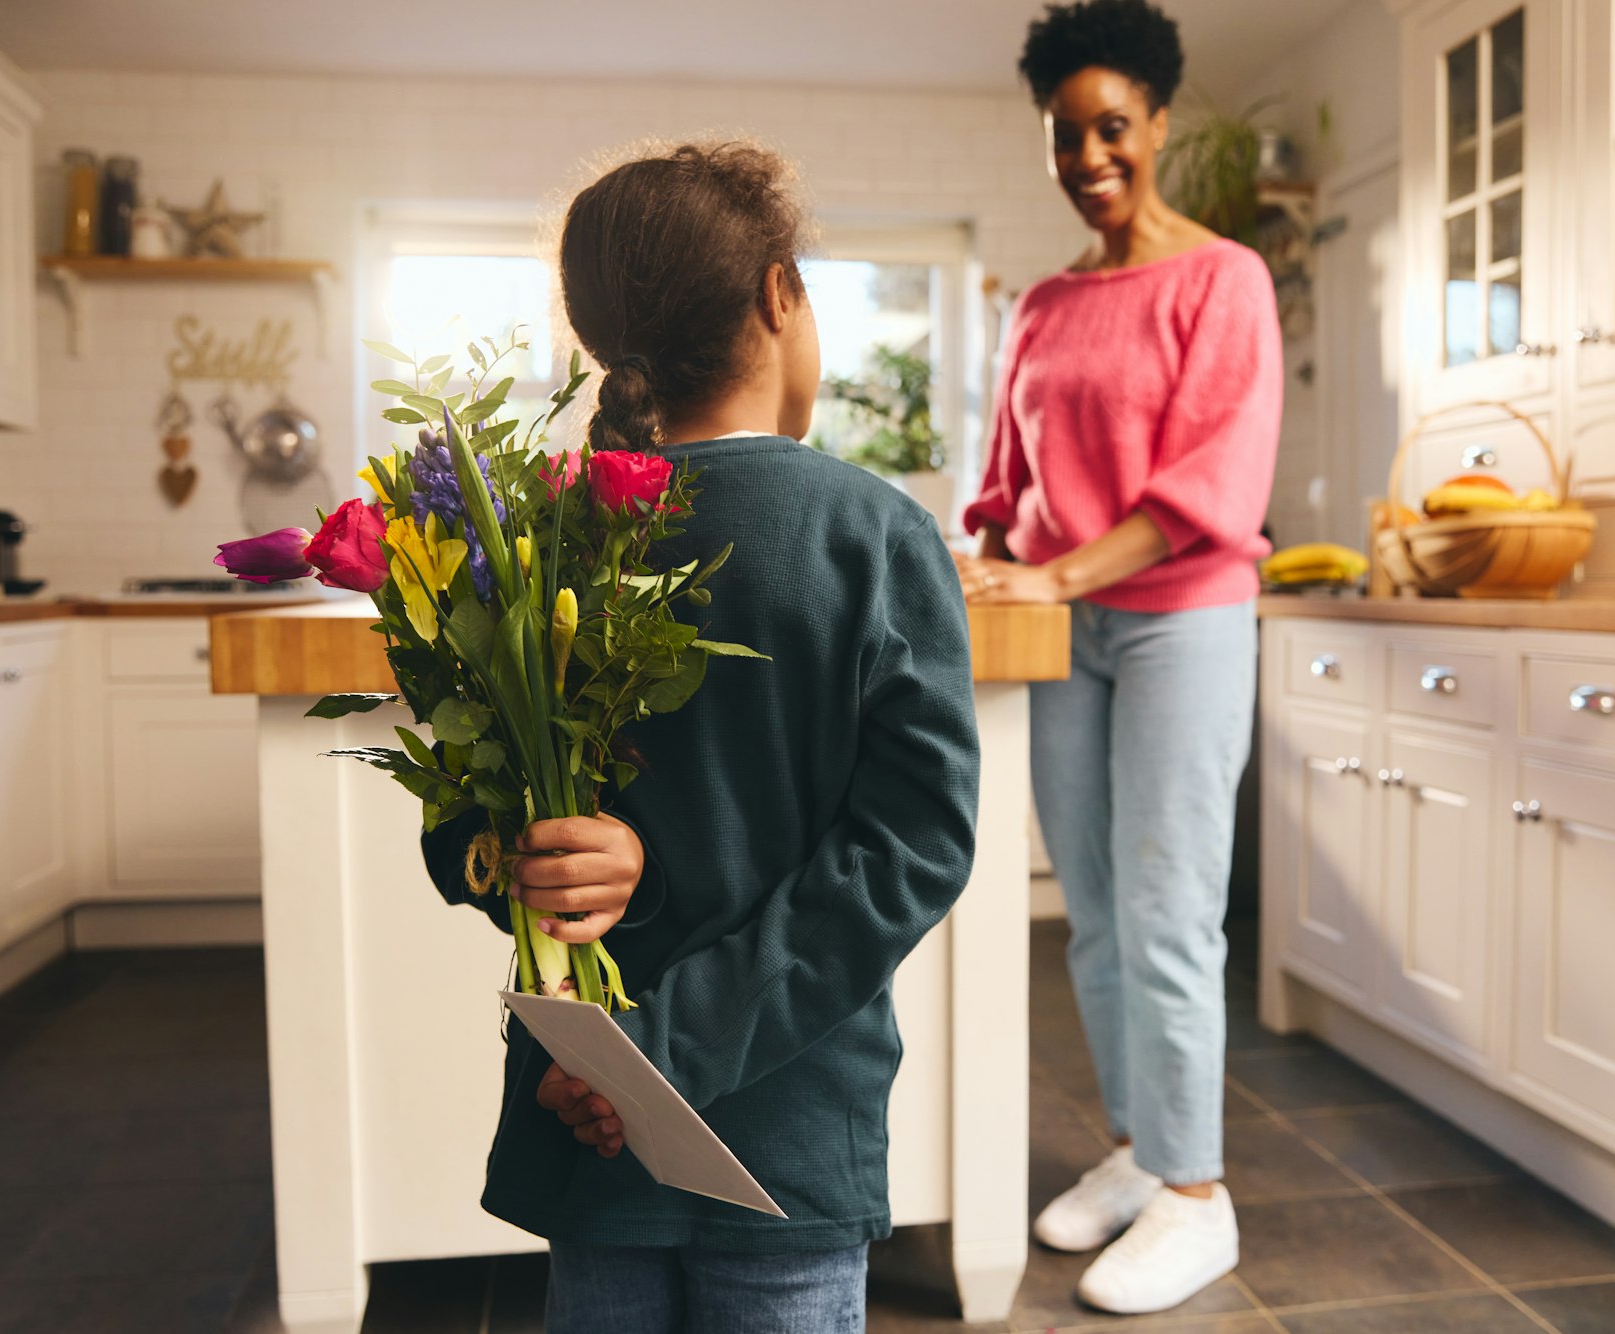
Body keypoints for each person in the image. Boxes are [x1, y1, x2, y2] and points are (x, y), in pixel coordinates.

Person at [420, 141, 980, 1334]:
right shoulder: (874, 537)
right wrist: (664, 1051)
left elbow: (456, 824)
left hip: (584, 1124)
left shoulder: (531, 542)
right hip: (785, 1141)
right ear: (779, 294)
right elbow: (910, 850)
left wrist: (518, 860)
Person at [955, 0, 1281, 1317]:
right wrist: (986, 557)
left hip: (1181, 617)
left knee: (1168, 911)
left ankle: (1200, 1197)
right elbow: (1004, 479)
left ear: (1157, 124)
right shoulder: (1041, 304)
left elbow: (1210, 478)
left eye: (1112, 127)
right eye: (1064, 136)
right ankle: (1148, 1147)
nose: (1090, 156)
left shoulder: (1223, 279)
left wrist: (1057, 569)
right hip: (1060, 624)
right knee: (1091, 911)